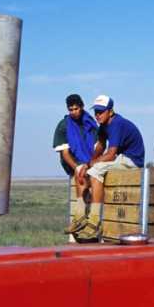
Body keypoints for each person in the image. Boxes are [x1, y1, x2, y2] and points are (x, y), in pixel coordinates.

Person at [70, 94, 145, 240]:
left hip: (132, 160)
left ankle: (94, 220)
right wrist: (87, 164)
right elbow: (101, 146)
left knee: (95, 171)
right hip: (121, 158)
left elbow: (110, 155)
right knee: (80, 170)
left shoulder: (116, 123)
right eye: (96, 112)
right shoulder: (104, 125)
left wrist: (91, 165)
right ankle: (79, 215)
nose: (97, 115)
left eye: (101, 111)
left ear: (110, 111)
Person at [53, 94, 98, 236]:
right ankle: (79, 216)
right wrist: (78, 167)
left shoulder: (90, 123)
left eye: (76, 109)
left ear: (82, 107)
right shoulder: (63, 126)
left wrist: (91, 164)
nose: (73, 112)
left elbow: (98, 146)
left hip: (90, 158)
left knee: (93, 176)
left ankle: (89, 217)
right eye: (70, 109)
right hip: (72, 161)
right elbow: (64, 153)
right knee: (81, 177)